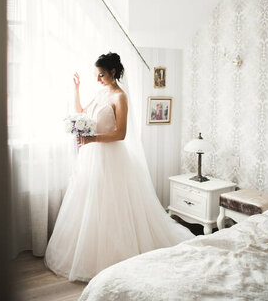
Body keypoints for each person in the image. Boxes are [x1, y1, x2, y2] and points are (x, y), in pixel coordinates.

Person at [44, 52, 193, 282]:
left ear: (113, 73)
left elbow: (120, 133)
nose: (98, 79)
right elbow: (82, 112)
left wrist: (92, 139)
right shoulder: (101, 92)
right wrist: (76, 89)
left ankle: (118, 258)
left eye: (101, 75)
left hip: (112, 158)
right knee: (90, 205)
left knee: (113, 207)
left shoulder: (120, 97)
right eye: (96, 75)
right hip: (92, 158)